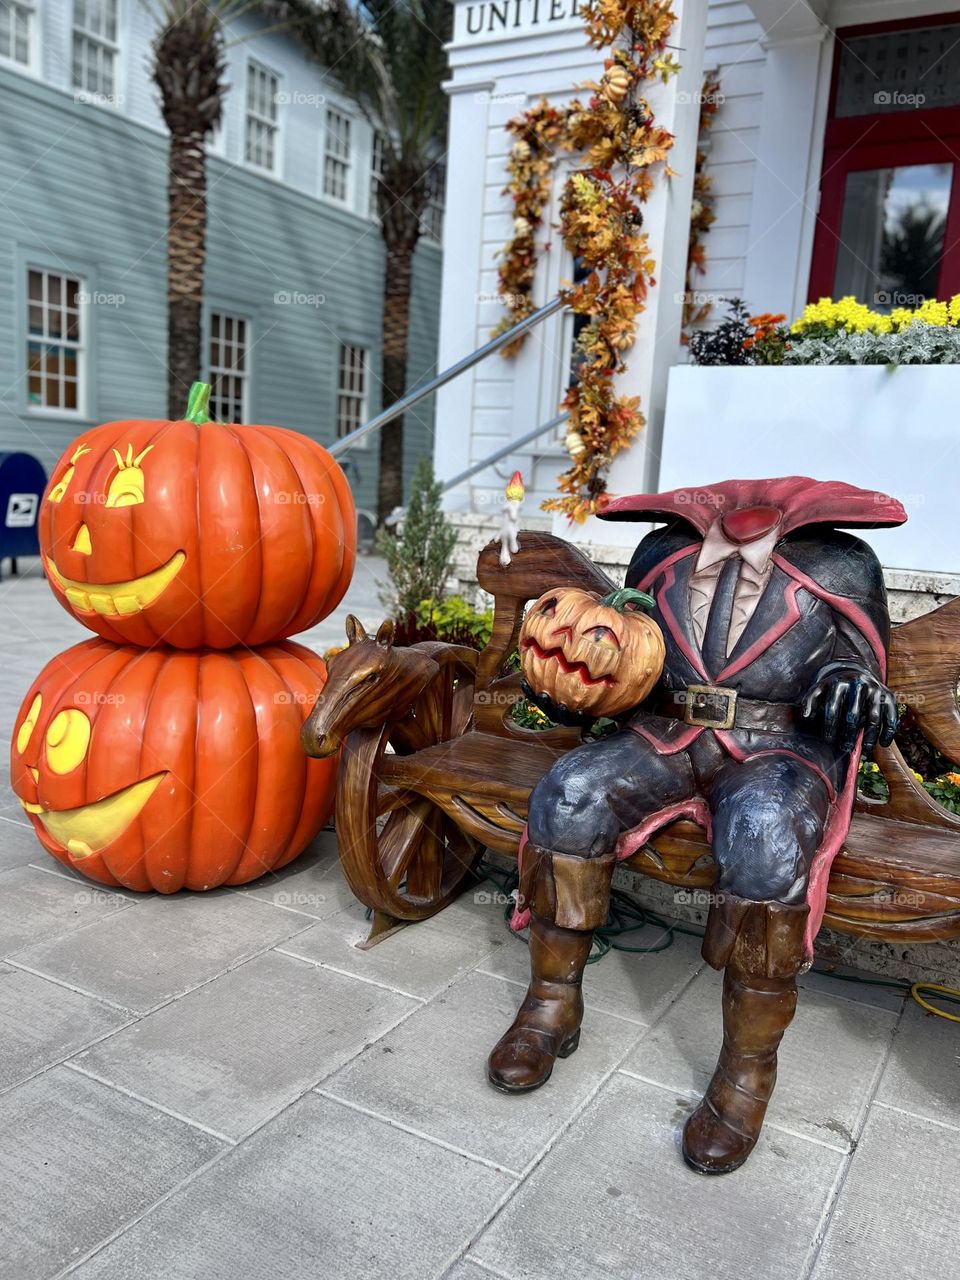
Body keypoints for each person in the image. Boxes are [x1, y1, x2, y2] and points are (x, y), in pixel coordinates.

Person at [487, 476, 905, 1174]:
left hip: (778, 745)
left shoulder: (841, 566)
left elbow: (860, 664)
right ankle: (550, 1003)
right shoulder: (662, 553)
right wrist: (578, 685)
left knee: (767, 836)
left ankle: (746, 1073)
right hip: (667, 734)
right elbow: (633, 653)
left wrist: (850, 682)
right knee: (570, 792)